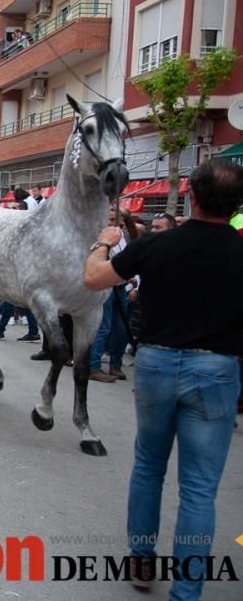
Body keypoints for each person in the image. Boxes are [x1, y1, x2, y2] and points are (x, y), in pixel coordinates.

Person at [83, 159, 243, 599]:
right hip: (216, 369)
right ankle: (186, 591)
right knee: (199, 488)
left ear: (191, 196)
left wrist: (103, 242)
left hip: (155, 364)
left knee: (149, 467)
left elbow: (95, 277)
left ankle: (142, 561)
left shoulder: (159, 244)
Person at [89, 209, 137, 382]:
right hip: (106, 287)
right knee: (104, 327)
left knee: (121, 328)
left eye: (113, 219)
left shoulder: (126, 237)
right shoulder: (100, 237)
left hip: (121, 286)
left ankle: (115, 365)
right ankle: (93, 366)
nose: (110, 222)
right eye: (108, 218)